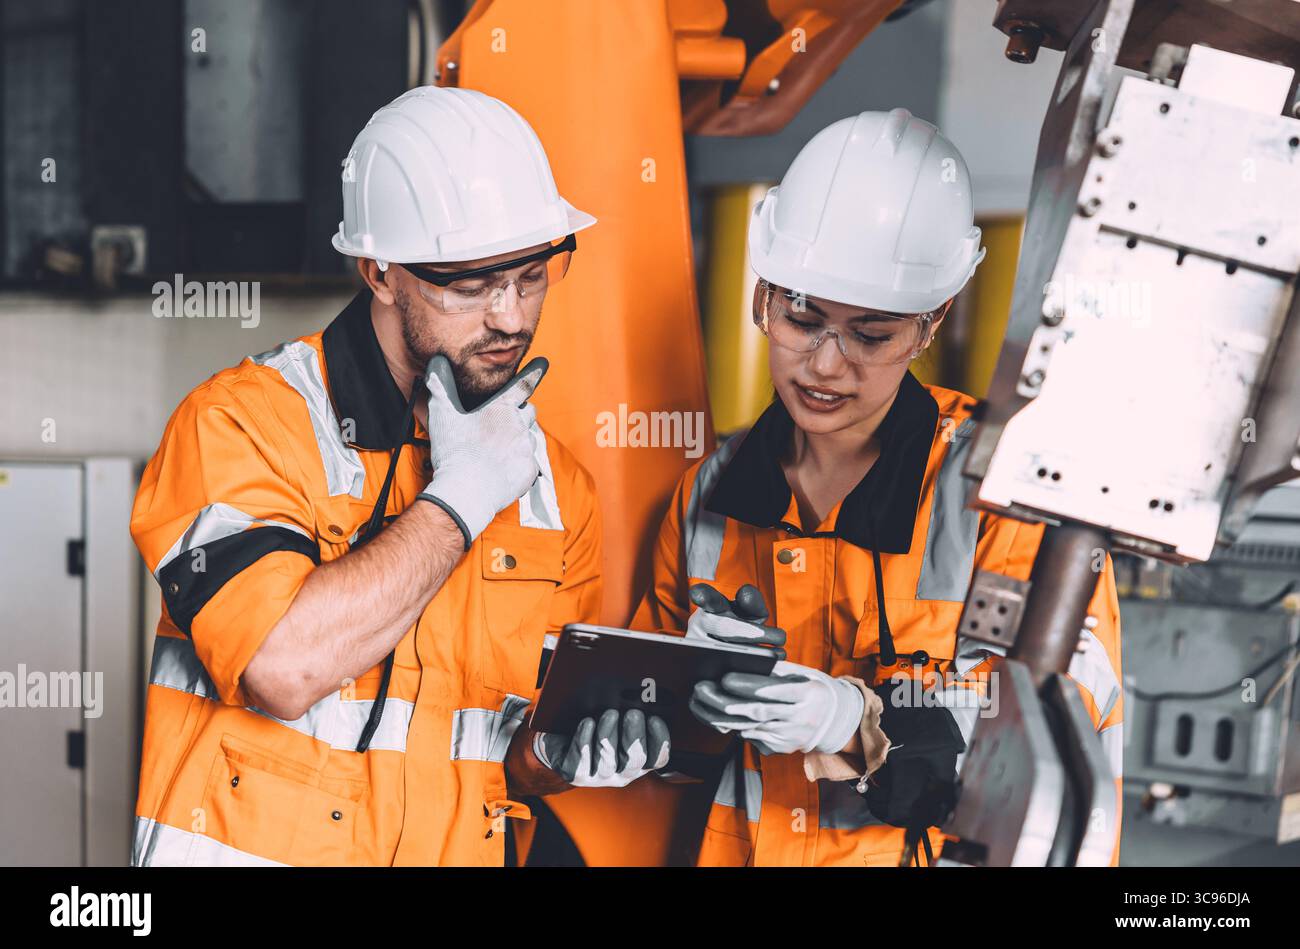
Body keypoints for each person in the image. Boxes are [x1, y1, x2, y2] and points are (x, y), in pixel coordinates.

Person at [129, 87, 667, 867]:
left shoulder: (556, 489)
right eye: (471, 284)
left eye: (531, 275)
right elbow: (281, 666)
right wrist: (461, 500)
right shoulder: (240, 425)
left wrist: (563, 757)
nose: (511, 318)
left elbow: (503, 748)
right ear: (379, 271)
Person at [632, 108, 1122, 867]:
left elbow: (1054, 741)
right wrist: (686, 689)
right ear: (762, 296)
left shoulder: (1008, 493)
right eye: (801, 317)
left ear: (931, 326)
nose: (826, 365)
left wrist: (850, 721)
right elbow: (658, 741)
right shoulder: (709, 494)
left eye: (871, 334)